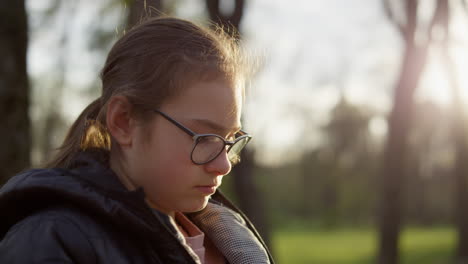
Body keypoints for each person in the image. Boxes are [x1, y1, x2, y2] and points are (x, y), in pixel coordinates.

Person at [0, 17, 274, 264]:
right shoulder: (50, 242)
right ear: (123, 122)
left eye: (229, 139)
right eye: (204, 138)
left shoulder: (231, 241)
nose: (224, 165)